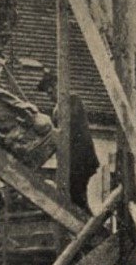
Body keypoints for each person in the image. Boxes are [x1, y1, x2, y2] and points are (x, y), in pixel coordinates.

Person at [37, 67, 100, 211]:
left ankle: (89, 226)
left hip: (80, 159)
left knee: (76, 196)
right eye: (48, 92)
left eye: (51, 89)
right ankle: (87, 225)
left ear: (60, 85)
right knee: (74, 197)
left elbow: (66, 124)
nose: (50, 94)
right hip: (72, 160)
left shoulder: (72, 100)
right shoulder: (59, 107)